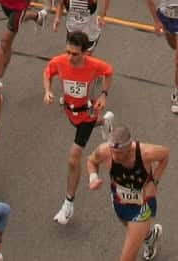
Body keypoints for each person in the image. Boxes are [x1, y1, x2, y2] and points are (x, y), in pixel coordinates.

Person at [42, 29, 115, 225]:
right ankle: (105, 122)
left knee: (74, 158)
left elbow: (109, 72)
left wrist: (104, 94)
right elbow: (47, 72)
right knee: (80, 127)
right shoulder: (60, 61)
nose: (70, 57)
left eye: (75, 54)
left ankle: (68, 204)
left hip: (88, 113)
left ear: (84, 52)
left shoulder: (94, 65)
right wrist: (47, 90)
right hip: (70, 111)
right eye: (68, 51)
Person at [85, 123, 167, 261]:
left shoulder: (146, 153)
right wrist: (93, 178)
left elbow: (165, 154)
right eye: (113, 152)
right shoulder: (104, 150)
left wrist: (154, 182)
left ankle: (145, 234)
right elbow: (91, 161)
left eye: (119, 153)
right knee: (127, 224)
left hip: (142, 204)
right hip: (119, 200)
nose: (114, 156)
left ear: (129, 147)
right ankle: (150, 237)